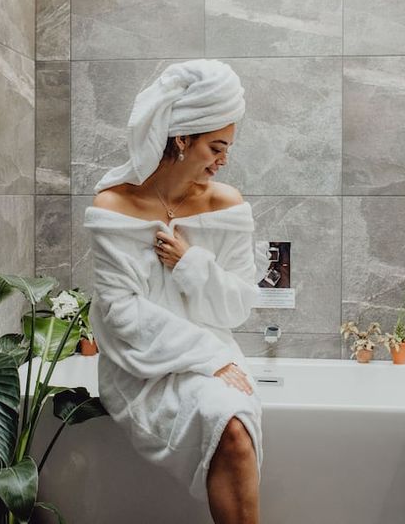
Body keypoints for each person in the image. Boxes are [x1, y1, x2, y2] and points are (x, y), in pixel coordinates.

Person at [83, 59, 268, 524]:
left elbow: (238, 307)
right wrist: (209, 357)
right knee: (228, 425)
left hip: (213, 354)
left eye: (227, 148)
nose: (223, 161)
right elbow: (121, 313)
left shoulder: (226, 205)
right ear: (182, 138)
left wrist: (190, 265)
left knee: (234, 427)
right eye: (215, 147)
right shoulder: (114, 207)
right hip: (140, 365)